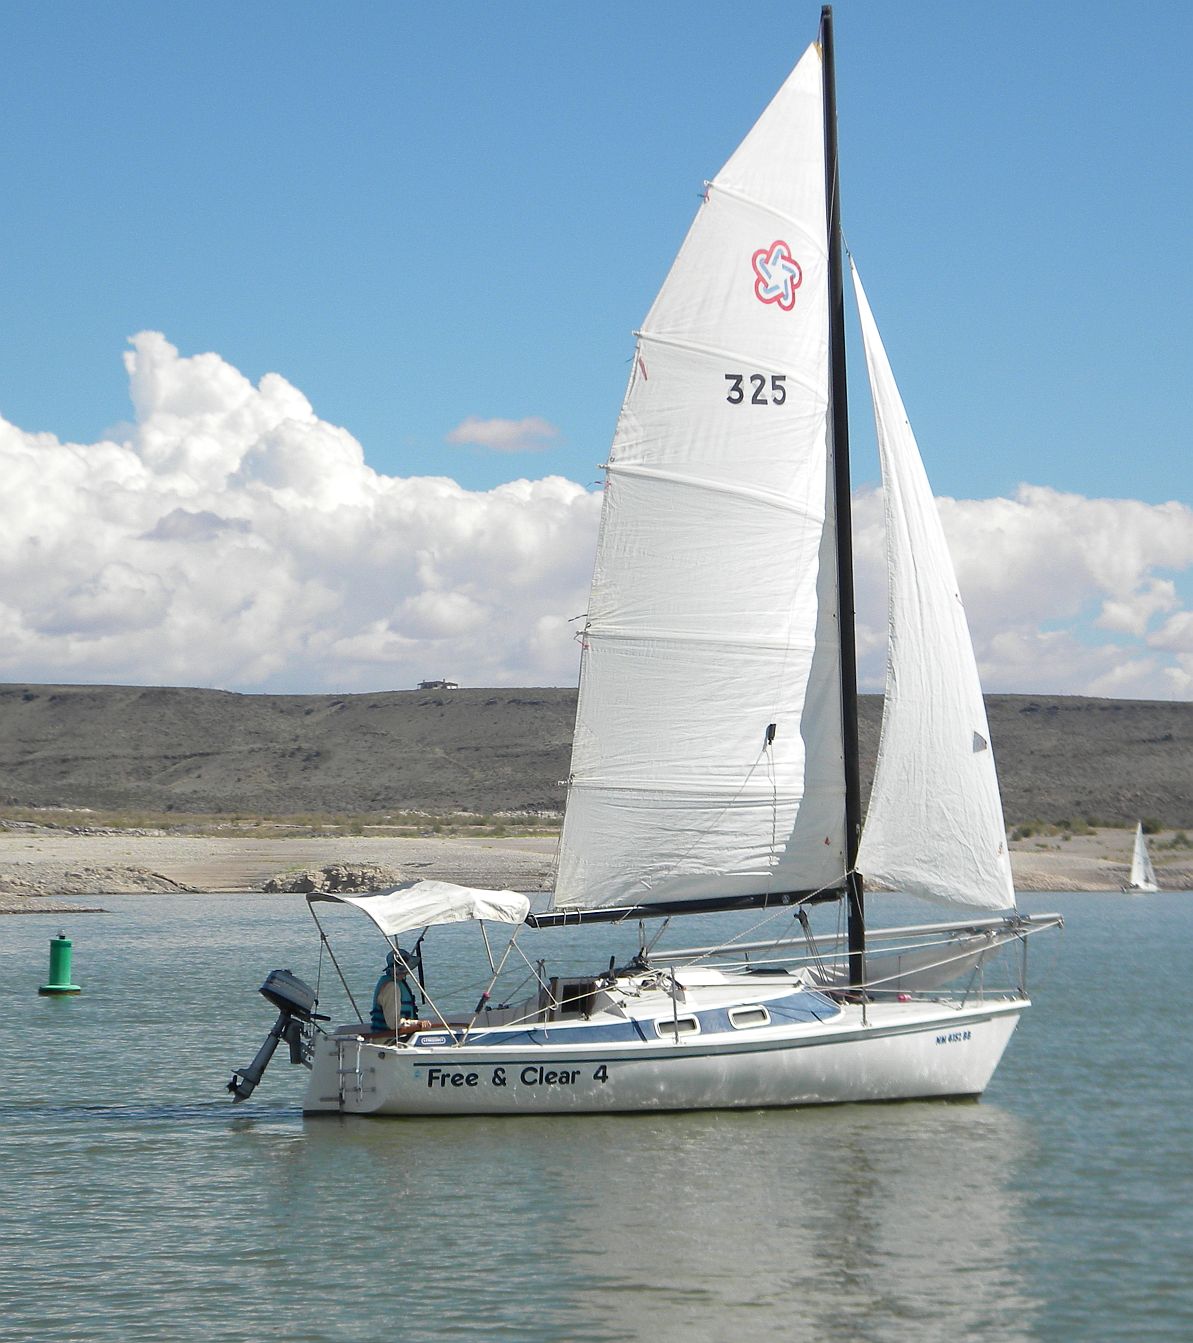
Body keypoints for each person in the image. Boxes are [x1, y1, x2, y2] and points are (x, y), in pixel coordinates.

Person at [371, 948, 418, 1030]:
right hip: (389, 1039)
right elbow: (394, 1023)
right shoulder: (391, 987)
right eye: (403, 970)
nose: (405, 973)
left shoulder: (397, 983)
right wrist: (417, 1023)